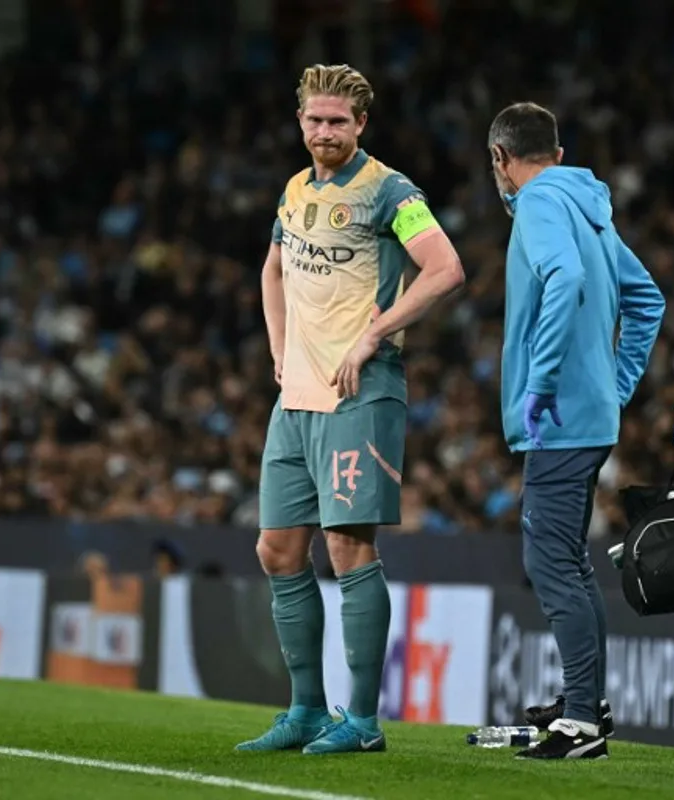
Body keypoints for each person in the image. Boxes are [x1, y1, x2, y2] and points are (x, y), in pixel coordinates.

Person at [236, 64, 465, 755]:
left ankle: (362, 721)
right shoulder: (295, 189)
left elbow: (447, 268)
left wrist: (375, 333)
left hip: (359, 393)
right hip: (297, 396)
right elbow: (272, 268)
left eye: (338, 121)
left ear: (361, 125)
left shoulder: (391, 191)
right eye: (315, 120)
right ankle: (305, 710)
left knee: (348, 546)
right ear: (300, 121)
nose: (325, 132)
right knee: (276, 549)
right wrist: (279, 348)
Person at [489, 102, 665, 760]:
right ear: (558, 153)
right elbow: (648, 297)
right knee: (567, 561)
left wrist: (542, 381)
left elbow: (562, 278)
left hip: (559, 418)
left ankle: (582, 722)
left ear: (502, 160)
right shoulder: (591, 209)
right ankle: (586, 701)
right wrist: (614, 387)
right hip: (588, 415)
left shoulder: (538, 204)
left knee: (547, 560)